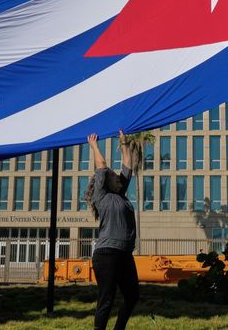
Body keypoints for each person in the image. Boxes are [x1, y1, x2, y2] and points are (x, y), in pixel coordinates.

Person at [84, 131, 138, 330]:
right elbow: (102, 167)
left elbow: (128, 166)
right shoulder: (102, 196)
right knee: (107, 298)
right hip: (106, 254)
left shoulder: (121, 194)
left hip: (124, 253)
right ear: (106, 181)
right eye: (114, 176)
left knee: (132, 296)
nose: (118, 177)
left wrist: (124, 143)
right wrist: (94, 145)